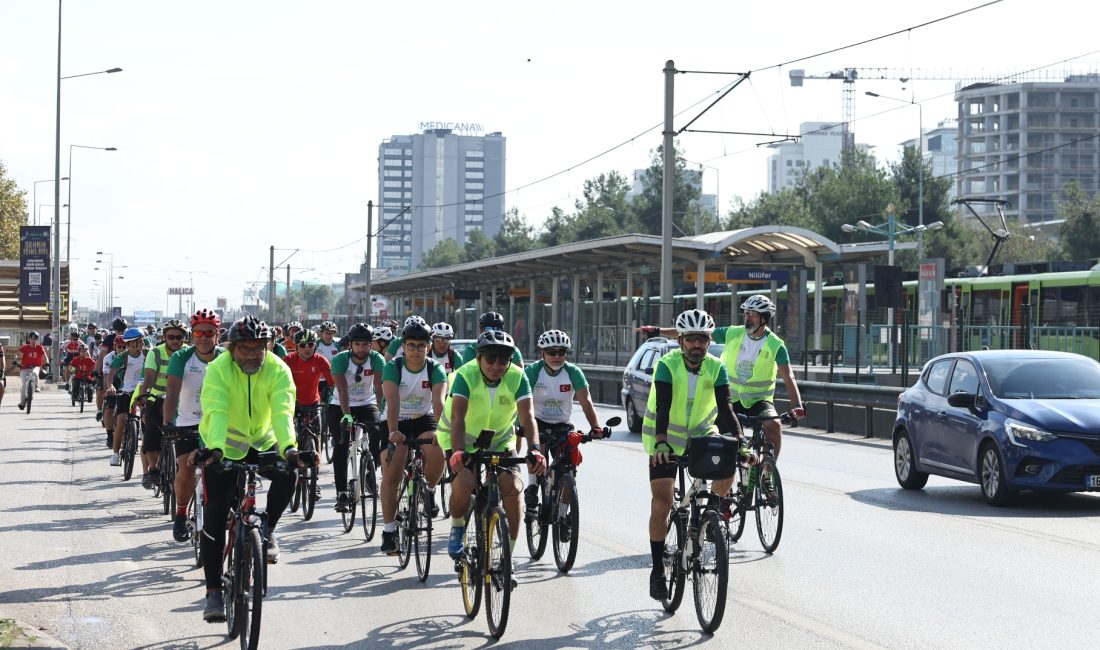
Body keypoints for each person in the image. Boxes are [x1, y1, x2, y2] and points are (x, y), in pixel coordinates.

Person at [194, 314, 315, 622]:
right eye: (245, 349)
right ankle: (213, 593)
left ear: (267, 346)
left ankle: (269, 529)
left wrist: (289, 449)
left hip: (264, 443)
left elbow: (283, 412)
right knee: (215, 517)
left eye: (258, 348)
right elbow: (217, 410)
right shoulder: (218, 369)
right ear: (232, 348)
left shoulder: (278, 369)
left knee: (290, 472)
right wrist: (217, 449)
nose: (251, 355)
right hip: (223, 448)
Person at [641, 309, 741, 602]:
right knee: (661, 502)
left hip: (700, 436)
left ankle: (710, 514)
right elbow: (663, 405)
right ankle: (658, 568)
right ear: (681, 340)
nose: (697, 345)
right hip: (665, 441)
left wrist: (742, 443)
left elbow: (725, 410)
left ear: (710, 341)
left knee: (730, 461)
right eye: (692, 339)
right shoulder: (666, 365)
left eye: (703, 339)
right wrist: (660, 443)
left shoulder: (716, 367)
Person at [638, 295, 805, 460]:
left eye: (752, 315)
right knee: (726, 447)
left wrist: (797, 405)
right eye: (746, 314)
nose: (747, 318)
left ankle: (768, 472)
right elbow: (694, 332)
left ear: (764, 318)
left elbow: (788, 376)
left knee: (774, 425)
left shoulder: (776, 345)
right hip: (729, 400)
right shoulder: (732, 333)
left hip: (758, 401)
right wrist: (659, 331)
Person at [437, 330, 545, 566]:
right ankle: (457, 527)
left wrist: (535, 448)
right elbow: (458, 418)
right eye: (490, 359)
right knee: (465, 482)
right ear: (479, 358)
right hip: (461, 437)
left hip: (499, 438)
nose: (496, 365)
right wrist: (457, 453)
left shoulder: (518, 377)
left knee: (513, 489)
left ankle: (508, 558)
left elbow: (528, 417)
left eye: (503, 360)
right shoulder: (465, 375)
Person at [521, 330, 605, 521]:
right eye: (552, 352)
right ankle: (533, 488)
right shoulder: (532, 372)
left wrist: (596, 427)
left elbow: (586, 402)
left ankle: (561, 515)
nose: (557, 356)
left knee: (570, 471)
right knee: (537, 451)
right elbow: (520, 401)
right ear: (542, 352)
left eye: (562, 352)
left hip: (563, 424)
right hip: (537, 422)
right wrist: (520, 424)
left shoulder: (573, 372)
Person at [379, 321, 447, 554]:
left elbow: (438, 403)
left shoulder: (434, 368)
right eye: (411, 346)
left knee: (437, 449)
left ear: (428, 347)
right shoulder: (393, 367)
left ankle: (427, 490)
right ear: (404, 347)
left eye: (420, 346)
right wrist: (393, 431)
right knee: (393, 471)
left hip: (423, 418)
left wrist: (444, 431)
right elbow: (393, 402)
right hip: (395, 419)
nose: (415, 350)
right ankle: (388, 531)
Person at [163, 309, 225, 542]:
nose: (204, 337)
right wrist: (168, 422)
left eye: (209, 332)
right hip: (187, 421)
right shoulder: (181, 358)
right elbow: (171, 392)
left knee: (225, 470)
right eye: (198, 332)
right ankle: (181, 513)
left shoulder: (225, 358)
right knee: (185, 468)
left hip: (218, 423)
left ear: (217, 335)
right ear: (193, 335)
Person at [328, 322, 385, 513]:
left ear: (371, 345)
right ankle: (342, 492)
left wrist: (382, 410)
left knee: (378, 431)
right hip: (340, 404)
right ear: (350, 345)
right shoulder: (341, 360)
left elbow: (379, 387)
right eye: (357, 344)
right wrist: (346, 415)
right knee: (342, 444)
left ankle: (371, 470)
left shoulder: (377, 359)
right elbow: (342, 389)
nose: (361, 349)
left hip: (366, 403)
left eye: (365, 344)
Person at [283, 328, 335, 502]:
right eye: (303, 345)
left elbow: (333, 383)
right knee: (291, 440)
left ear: (315, 346)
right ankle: (292, 472)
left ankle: (315, 481)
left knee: (316, 440)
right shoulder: (288, 360)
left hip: (313, 405)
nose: (307, 348)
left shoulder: (320, 360)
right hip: (293, 405)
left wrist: (335, 400)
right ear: (296, 346)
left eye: (311, 345)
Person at [137, 319, 190, 490]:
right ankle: (153, 469)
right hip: (158, 397)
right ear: (164, 337)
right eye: (171, 337)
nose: (175, 340)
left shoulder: (189, 353)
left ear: (184, 338)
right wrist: (144, 395)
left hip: (184, 399)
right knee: (152, 432)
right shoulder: (156, 353)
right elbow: (149, 378)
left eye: (179, 337)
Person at [105, 328, 148, 466]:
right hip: (126, 391)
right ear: (130, 343)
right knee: (121, 420)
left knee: (148, 419)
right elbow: (110, 375)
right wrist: (110, 386)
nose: (141, 343)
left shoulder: (148, 354)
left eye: (142, 340)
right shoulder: (122, 357)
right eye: (138, 341)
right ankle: (116, 454)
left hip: (143, 391)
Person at [457, 311, 523, 369]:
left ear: (502, 331)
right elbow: (467, 374)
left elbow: (519, 373)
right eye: (488, 329)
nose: (492, 332)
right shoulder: (471, 350)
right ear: (481, 331)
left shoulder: (511, 349)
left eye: (496, 329)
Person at [95, 318, 129, 421]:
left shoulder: (129, 337)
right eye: (118, 331)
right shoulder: (109, 338)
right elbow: (102, 356)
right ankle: (100, 411)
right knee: (101, 390)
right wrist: (97, 371)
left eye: (122, 330)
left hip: (125, 367)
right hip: (109, 366)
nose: (120, 332)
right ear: (114, 330)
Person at [15, 332, 48, 410]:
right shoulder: (25, 347)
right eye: (32, 339)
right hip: (24, 368)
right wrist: (15, 359)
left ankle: (37, 386)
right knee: (23, 385)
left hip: (36, 366)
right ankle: (22, 402)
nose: (33, 341)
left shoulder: (40, 347)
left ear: (37, 340)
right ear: (28, 339)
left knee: (34, 372)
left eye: (35, 339)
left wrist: (47, 362)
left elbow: (45, 356)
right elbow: (17, 354)